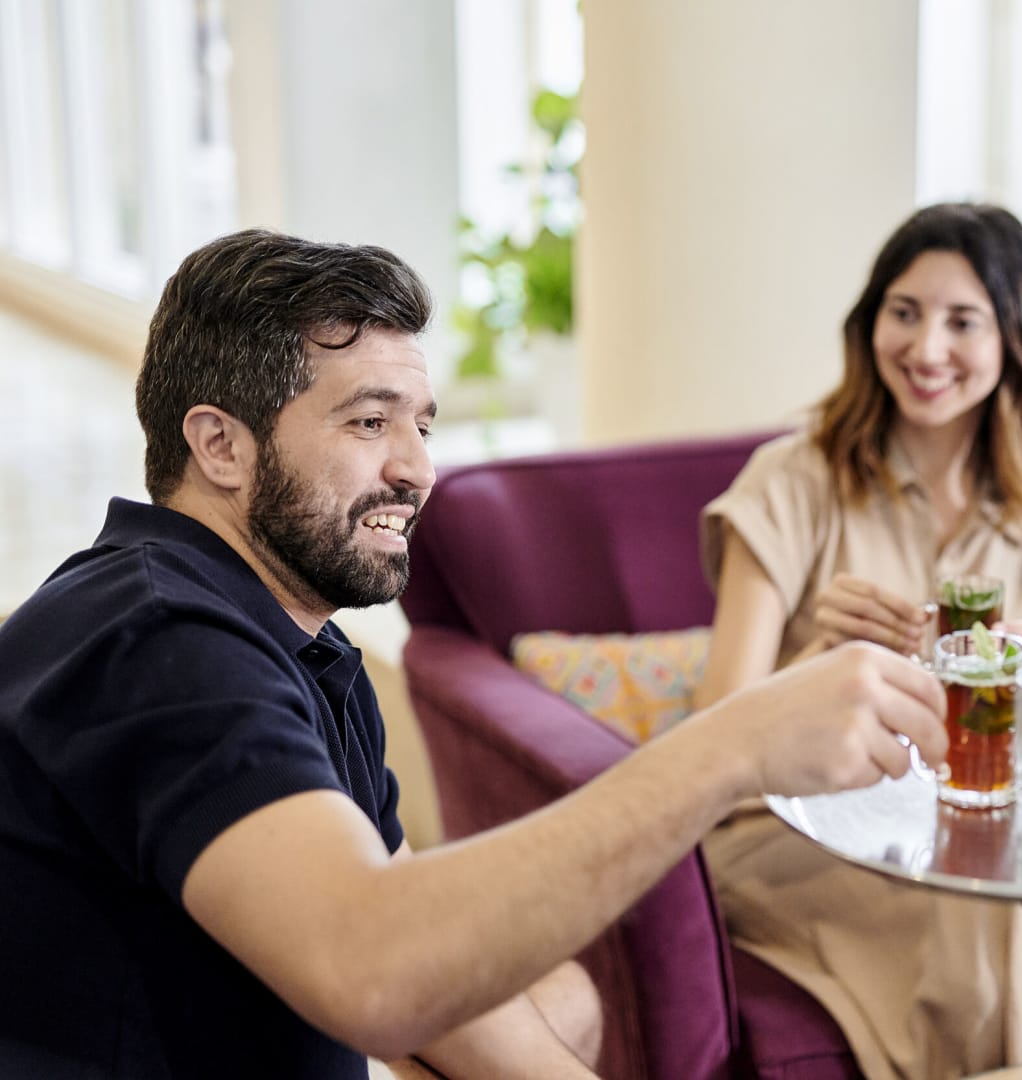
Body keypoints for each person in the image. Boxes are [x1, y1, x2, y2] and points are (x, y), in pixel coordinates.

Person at [0, 229, 948, 1079]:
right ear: (220, 446)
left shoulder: (301, 643)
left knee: (560, 1000)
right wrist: (730, 746)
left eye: (421, 425)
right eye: (369, 422)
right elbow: (375, 972)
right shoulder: (154, 639)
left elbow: (436, 987)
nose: (418, 470)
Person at [696, 202, 1022, 1078]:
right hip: (793, 829)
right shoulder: (793, 478)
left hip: (962, 828)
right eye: (905, 312)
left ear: (1015, 338)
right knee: (1008, 911)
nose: (927, 349)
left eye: (963, 321)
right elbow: (715, 733)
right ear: (870, 323)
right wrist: (817, 662)